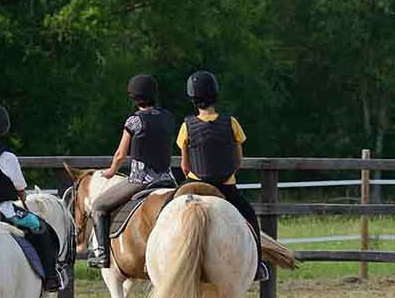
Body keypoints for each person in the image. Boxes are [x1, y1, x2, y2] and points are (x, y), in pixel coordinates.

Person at [177, 70, 269, 281]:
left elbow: (184, 165)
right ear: (215, 95)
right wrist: (227, 174)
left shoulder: (186, 126)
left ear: (193, 99)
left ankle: (148, 255)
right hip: (226, 186)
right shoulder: (231, 122)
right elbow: (238, 160)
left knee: (164, 210)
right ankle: (258, 266)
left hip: (194, 183)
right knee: (250, 216)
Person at [0, 103, 61, 291]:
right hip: (3, 211)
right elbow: (20, 188)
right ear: (3, 130)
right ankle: (50, 278)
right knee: (40, 228)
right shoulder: (6, 157)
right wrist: (24, 203)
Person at [87, 74, 176, 269]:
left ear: (134, 98)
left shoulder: (134, 120)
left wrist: (111, 171)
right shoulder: (168, 118)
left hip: (141, 180)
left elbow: (120, 154)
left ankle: (101, 254)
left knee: (99, 206)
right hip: (168, 180)